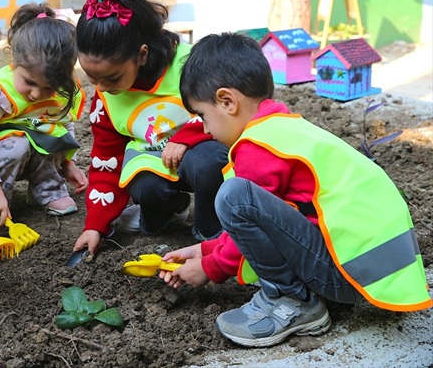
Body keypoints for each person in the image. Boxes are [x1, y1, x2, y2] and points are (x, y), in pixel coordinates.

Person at [158, 32, 431, 347]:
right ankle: (300, 295)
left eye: (202, 116)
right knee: (242, 199)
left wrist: (210, 267)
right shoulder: (284, 130)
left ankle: (294, 301)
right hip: (368, 271)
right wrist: (204, 250)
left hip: (349, 278)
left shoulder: (259, 146)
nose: (204, 129)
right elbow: (277, 224)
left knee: (234, 196)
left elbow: (250, 217)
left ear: (227, 101)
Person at [71, 0, 228, 256]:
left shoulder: (191, 65)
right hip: (155, 160)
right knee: (144, 188)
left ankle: (211, 234)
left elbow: (229, 112)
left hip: (203, 151)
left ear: (142, 55)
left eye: (112, 78)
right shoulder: (104, 100)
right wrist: (96, 225)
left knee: (208, 163)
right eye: (91, 77)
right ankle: (170, 209)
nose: (102, 87)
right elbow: (106, 161)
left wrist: (186, 139)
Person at [0, 4, 88, 229]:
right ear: (14, 61)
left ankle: (47, 188)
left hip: (36, 153)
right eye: (29, 82)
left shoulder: (65, 89)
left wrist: (68, 163)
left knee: (51, 137)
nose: (37, 94)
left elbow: (63, 126)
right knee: (16, 144)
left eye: (49, 87)